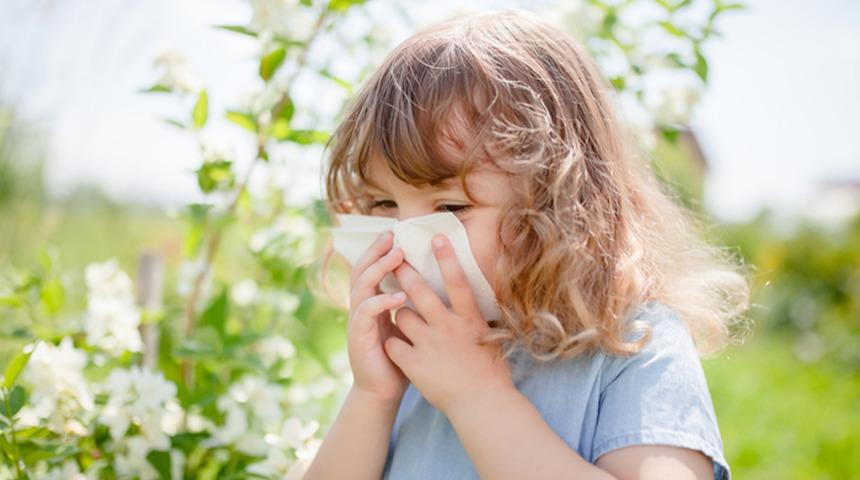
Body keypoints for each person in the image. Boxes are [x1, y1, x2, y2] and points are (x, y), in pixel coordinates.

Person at [305, 8, 750, 480]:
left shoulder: (633, 343)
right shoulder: (410, 353)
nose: (404, 242)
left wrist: (478, 397)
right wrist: (372, 397)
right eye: (382, 204)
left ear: (559, 203)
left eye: (452, 208)